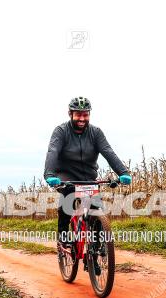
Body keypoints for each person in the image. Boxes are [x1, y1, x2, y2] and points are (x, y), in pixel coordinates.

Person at [43, 97, 132, 252]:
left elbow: (108, 152)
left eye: (85, 114)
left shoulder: (96, 133)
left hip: (88, 177)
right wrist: (50, 175)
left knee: (96, 206)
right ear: (70, 114)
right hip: (66, 176)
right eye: (78, 114)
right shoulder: (61, 131)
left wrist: (123, 172)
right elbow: (53, 151)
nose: (82, 118)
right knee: (68, 199)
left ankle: (97, 244)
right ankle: (63, 240)